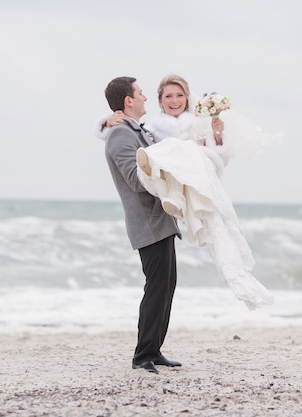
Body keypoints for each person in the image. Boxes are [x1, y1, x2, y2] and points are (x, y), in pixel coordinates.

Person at [97, 74, 278, 310]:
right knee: (159, 284)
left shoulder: (197, 123)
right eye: (168, 96)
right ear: (160, 101)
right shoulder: (149, 129)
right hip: (161, 201)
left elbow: (213, 161)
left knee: (167, 282)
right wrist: (108, 120)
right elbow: (131, 146)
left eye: (180, 95)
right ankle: (148, 348)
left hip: (185, 190)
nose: (174, 101)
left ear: (187, 98)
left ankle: (151, 347)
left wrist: (216, 136)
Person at [102, 76, 183, 374]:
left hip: (161, 221)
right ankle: (142, 355)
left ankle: (154, 350)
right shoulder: (120, 135)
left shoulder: (139, 130)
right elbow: (136, 180)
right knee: (156, 288)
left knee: (166, 286)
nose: (146, 98)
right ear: (128, 100)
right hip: (147, 223)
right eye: (141, 93)